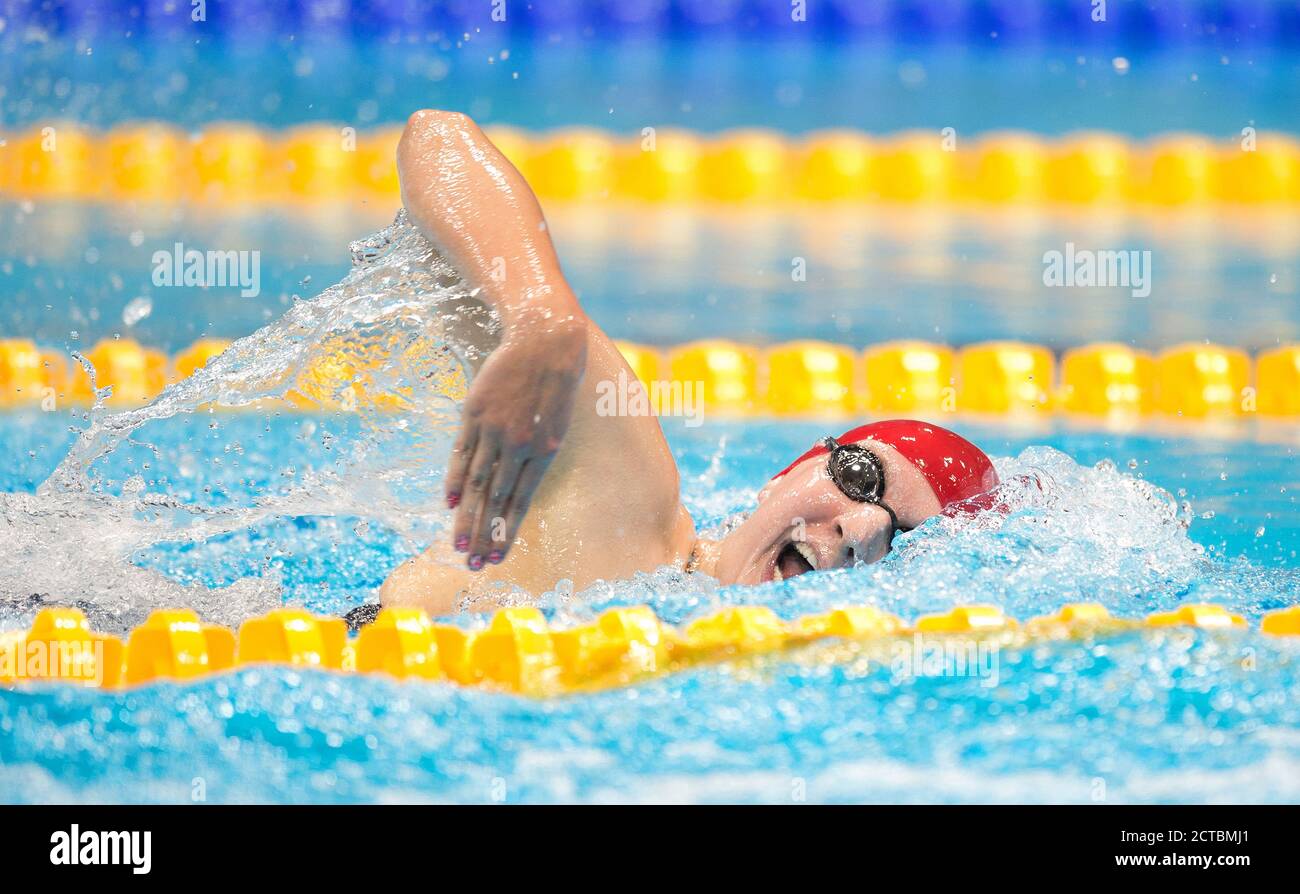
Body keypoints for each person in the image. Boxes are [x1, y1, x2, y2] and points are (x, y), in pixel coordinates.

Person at [371, 110, 999, 621]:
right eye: (861, 477)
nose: (862, 528)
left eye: (903, 540)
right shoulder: (625, 507)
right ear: (783, 477)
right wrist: (543, 317)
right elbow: (437, 140)